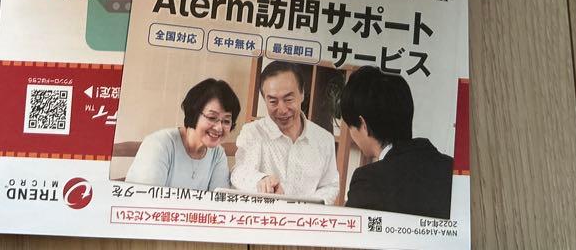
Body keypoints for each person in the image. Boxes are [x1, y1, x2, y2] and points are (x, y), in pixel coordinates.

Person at [339, 65, 453, 219]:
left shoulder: (368, 181)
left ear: (363, 125)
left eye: (350, 126)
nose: (351, 134)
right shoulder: (451, 167)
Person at [230, 61, 339, 204]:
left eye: (288, 99)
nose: (282, 110)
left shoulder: (324, 139)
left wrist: (307, 205)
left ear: (302, 94)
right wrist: (261, 180)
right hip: (265, 215)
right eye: (273, 101)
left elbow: (330, 185)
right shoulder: (253, 132)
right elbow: (240, 172)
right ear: (264, 99)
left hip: (305, 216)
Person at [125, 78, 240, 190]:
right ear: (194, 113)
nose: (219, 127)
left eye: (226, 121)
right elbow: (145, 198)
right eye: (212, 117)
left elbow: (218, 199)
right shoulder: (159, 144)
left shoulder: (218, 154)